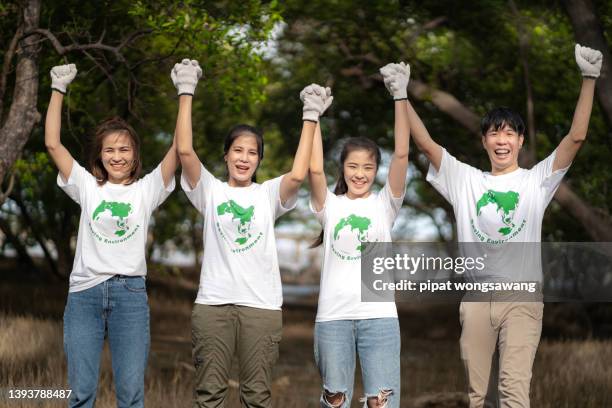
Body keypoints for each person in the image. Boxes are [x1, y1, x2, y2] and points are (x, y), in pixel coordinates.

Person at [380, 44, 602, 407]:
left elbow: (575, 138)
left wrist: (589, 79)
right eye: (495, 134)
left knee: (514, 392)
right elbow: (425, 143)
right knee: (476, 396)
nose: (502, 141)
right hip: (477, 300)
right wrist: (402, 96)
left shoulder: (536, 181)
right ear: (484, 140)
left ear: (520, 141)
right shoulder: (466, 180)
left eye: (510, 134)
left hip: (523, 299)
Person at [171, 58, 331, 407]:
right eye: (238, 151)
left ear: (259, 160)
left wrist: (311, 115)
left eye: (252, 153)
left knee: (256, 397)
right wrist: (186, 89)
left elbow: (298, 174)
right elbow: (184, 150)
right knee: (208, 395)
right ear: (226, 155)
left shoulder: (267, 195)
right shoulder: (210, 191)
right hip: (213, 305)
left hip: (261, 307)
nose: (244, 158)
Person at [46, 63, 178, 407]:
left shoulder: (147, 189)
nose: (117, 156)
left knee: (131, 395)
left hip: (130, 296)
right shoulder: (87, 187)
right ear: (100, 156)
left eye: (124, 150)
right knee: (80, 393)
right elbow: (52, 144)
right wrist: (58, 88)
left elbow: (181, 150)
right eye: (109, 150)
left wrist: (185, 93)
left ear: (134, 154)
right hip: (84, 295)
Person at [308, 63, 410, 408]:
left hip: (379, 318)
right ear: (343, 169)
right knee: (335, 402)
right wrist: (314, 117)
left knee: (381, 403)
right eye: (353, 166)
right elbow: (313, 168)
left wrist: (400, 95)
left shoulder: (385, 205)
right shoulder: (330, 206)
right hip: (333, 319)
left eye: (368, 167)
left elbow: (402, 154)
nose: (360, 174)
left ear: (376, 170)